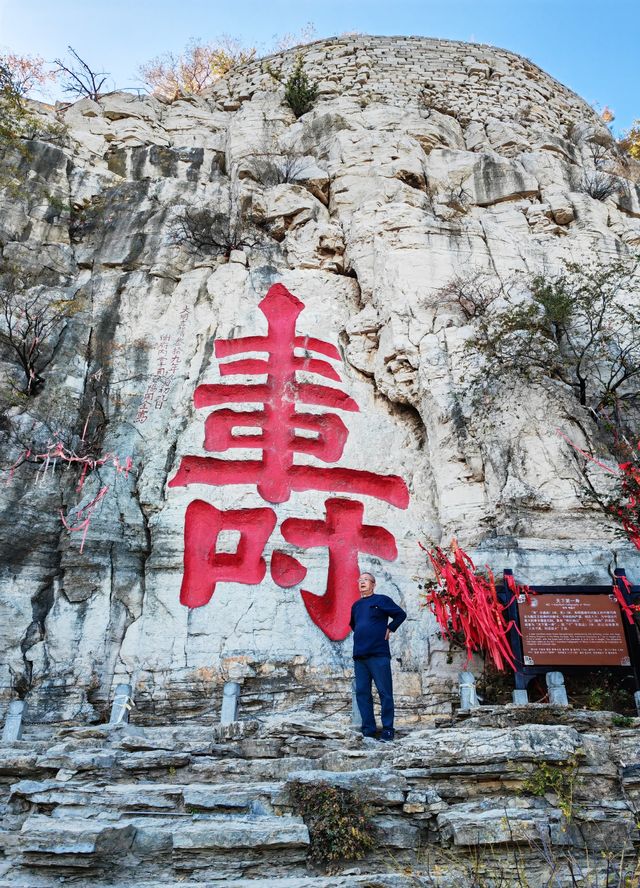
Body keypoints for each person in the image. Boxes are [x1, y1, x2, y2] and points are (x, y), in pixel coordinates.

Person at [349, 572, 406, 742]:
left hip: (379, 654)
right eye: (360, 580)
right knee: (362, 693)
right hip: (360, 655)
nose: (362, 582)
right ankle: (368, 731)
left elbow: (400, 614)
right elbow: (354, 625)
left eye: (365, 580)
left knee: (385, 692)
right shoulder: (356, 605)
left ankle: (388, 730)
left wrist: (390, 628)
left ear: (373, 584)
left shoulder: (381, 600)